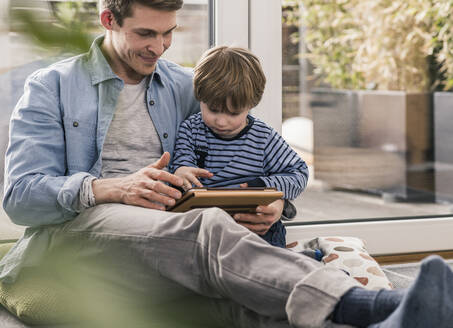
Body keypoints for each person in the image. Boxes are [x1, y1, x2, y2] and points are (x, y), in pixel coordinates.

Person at [1, 0, 453, 327]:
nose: (159, 47)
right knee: (207, 229)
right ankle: (371, 306)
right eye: (145, 33)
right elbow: (20, 198)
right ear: (108, 20)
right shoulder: (52, 86)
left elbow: (247, 144)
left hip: (168, 231)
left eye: (169, 32)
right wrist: (112, 187)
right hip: (85, 232)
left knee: (242, 295)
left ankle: (382, 323)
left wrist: (273, 203)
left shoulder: (185, 84)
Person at [171, 45, 309, 248]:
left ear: (251, 104)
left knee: (266, 259)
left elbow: (299, 173)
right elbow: (181, 162)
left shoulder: (263, 137)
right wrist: (182, 172)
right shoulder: (191, 129)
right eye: (213, 110)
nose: (221, 122)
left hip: (255, 224)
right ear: (200, 97)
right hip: (206, 223)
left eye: (233, 113)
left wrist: (262, 185)